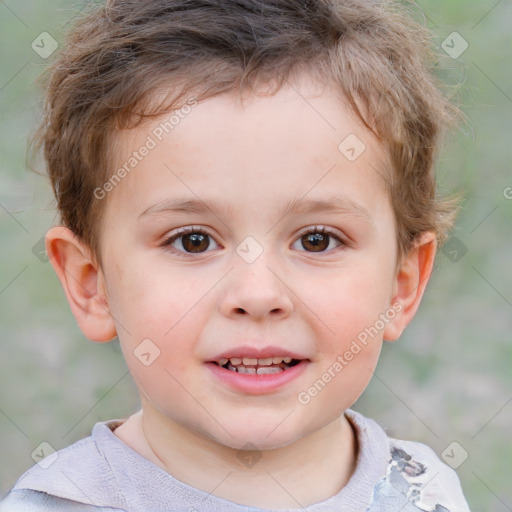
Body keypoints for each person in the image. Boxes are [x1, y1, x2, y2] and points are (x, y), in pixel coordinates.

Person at [1, 0, 470, 510]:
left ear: (402, 286)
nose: (258, 294)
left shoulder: (427, 492)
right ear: (91, 283)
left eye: (317, 239)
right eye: (192, 240)